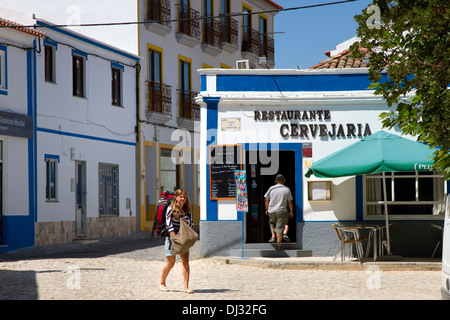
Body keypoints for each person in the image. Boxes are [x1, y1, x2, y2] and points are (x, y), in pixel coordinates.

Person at [160, 189, 194, 294]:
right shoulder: (171, 208)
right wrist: (175, 239)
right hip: (172, 238)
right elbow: (169, 225)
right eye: (181, 197)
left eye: (184, 197)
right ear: (176, 197)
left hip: (184, 238)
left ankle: (186, 287)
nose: (183, 199)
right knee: (171, 263)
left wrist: (180, 218)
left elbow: (191, 224)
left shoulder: (187, 209)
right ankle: (162, 283)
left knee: (185, 262)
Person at [264, 174, 293, 250]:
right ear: (283, 180)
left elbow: (266, 199)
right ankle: (278, 246)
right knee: (280, 228)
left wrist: (266, 209)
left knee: (272, 224)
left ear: (276, 181)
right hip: (281, 211)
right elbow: (289, 201)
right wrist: (291, 211)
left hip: (271, 210)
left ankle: (273, 236)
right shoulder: (286, 189)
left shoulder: (271, 188)